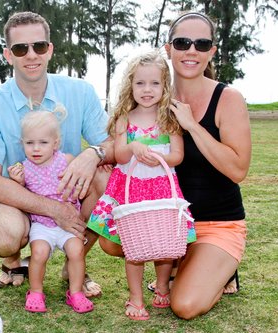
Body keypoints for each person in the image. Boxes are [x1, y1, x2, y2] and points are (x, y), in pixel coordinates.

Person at [0, 11, 113, 298]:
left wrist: (93, 154)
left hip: (66, 192)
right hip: (13, 196)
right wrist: (53, 210)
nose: (31, 55)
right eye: (21, 48)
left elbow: (114, 142)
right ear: (8, 55)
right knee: (6, 232)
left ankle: (75, 262)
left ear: (50, 50)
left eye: (39, 46)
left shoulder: (80, 91)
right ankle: (12, 261)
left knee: (107, 178)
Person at [87, 50, 196, 320]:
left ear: (165, 86)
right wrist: (134, 146)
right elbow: (121, 155)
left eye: (155, 83)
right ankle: (135, 297)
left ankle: (161, 287)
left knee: (165, 242)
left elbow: (177, 156)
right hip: (130, 190)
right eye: (140, 83)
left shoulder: (168, 119)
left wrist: (157, 158)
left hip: (160, 189)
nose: (147, 90)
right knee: (133, 247)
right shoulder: (125, 118)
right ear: (130, 86)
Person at [161, 12, 251, 319]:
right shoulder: (155, 97)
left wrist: (192, 126)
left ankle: (219, 268)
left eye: (202, 44)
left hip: (218, 224)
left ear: (212, 51)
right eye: (182, 42)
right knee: (112, 242)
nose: (191, 51)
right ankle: (183, 263)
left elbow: (238, 169)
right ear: (168, 48)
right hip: (172, 223)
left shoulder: (228, 99)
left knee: (184, 305)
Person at [8, 108, 94, 313]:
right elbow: (22, 198)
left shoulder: (66, 160)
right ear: (22, 144)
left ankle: (75, 293)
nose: (36, 149)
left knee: (77, 251)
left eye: (43, 143)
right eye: (30, 143)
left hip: (68, 223)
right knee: (39, 253)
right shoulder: (24, 168)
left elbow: (82, 181)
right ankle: (36, 292)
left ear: (55, 143)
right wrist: (18, 182)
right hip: (42, 224)